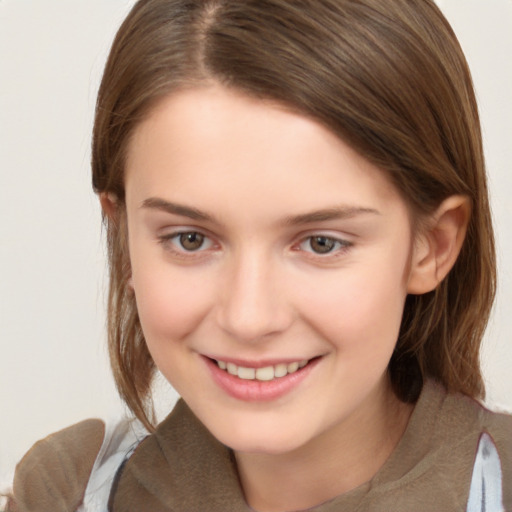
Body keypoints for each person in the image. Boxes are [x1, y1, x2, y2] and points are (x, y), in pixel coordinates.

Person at [7, 0, 511, 510]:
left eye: (321, 243)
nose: (249, 319)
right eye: (190, 239)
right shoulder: (67, 495)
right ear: (124, 240)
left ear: (433, 245)